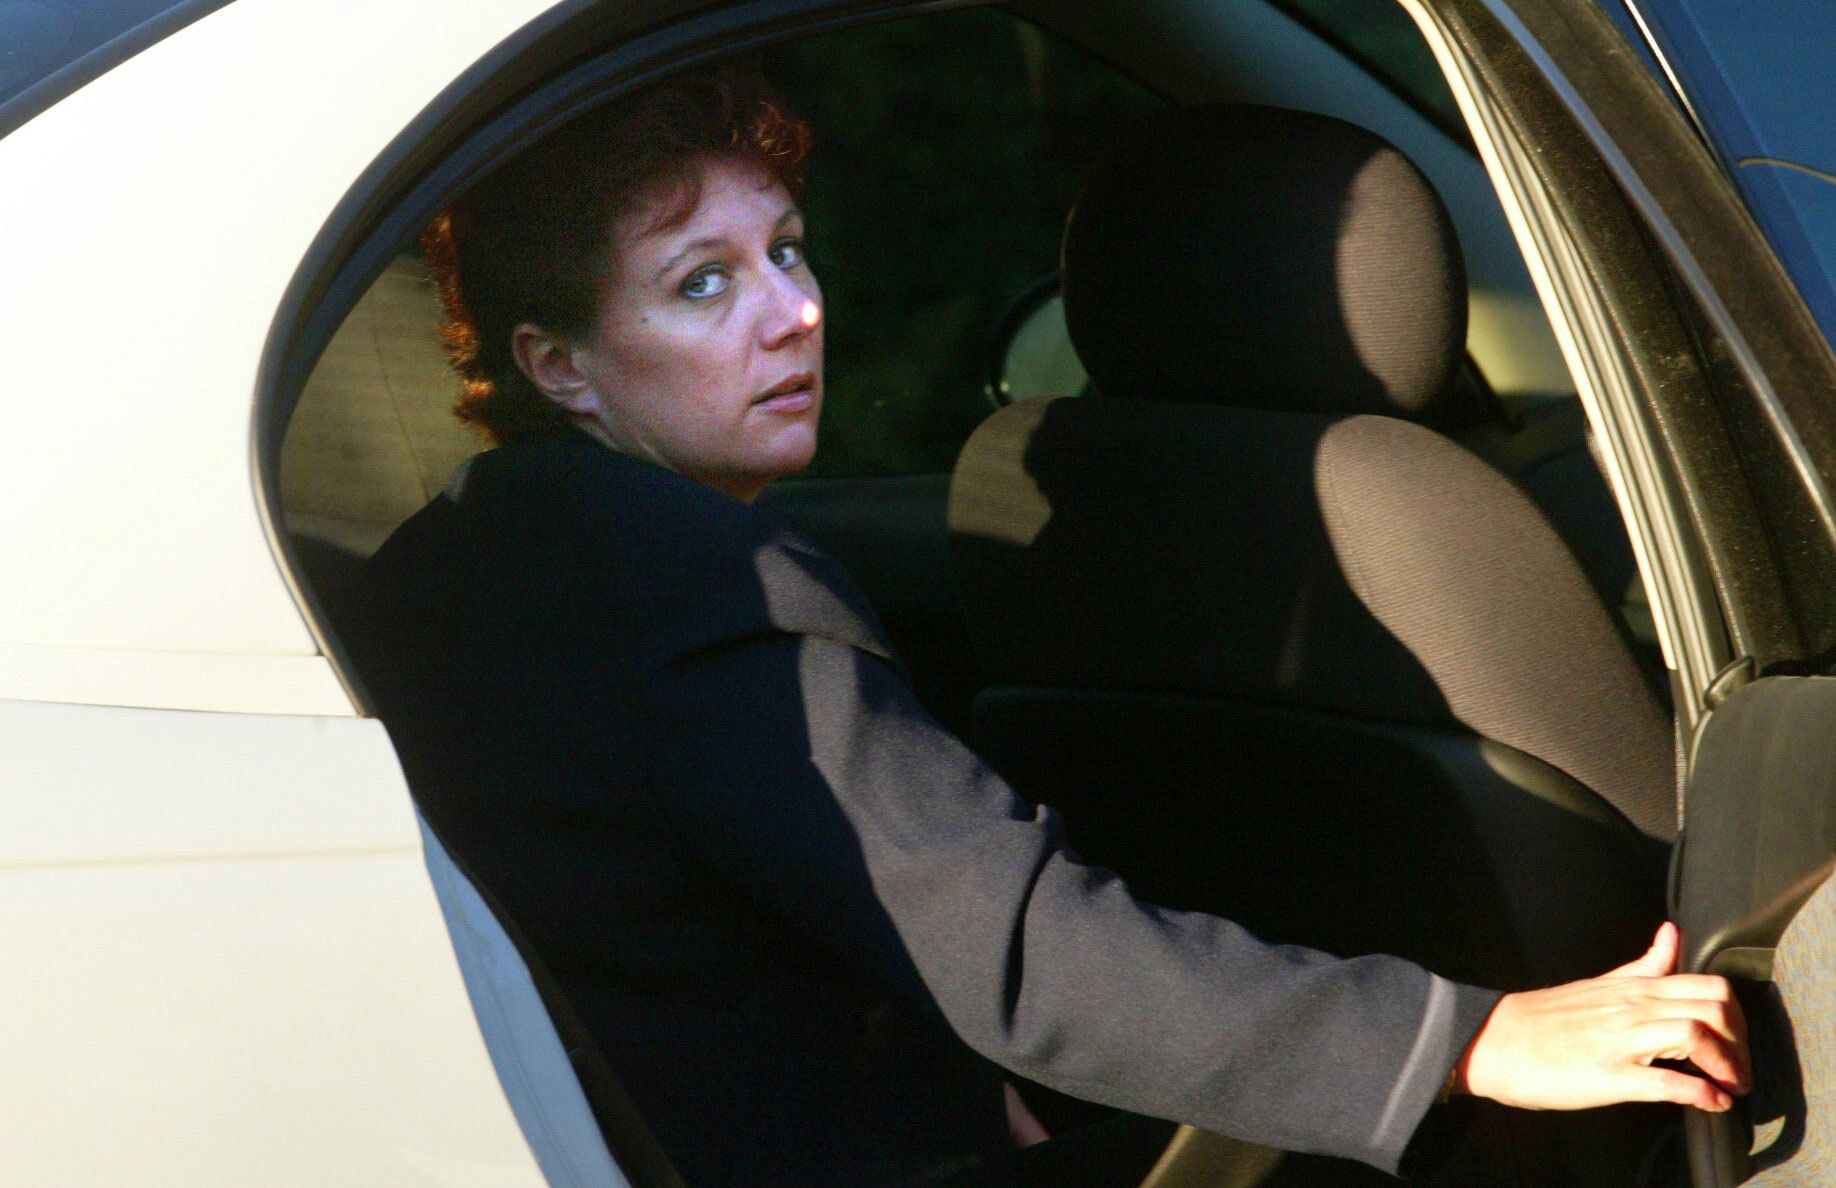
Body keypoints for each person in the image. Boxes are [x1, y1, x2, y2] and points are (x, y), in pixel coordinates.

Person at [350, 61, 1750, 1187]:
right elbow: (1024, 955)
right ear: (560, 365)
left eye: (784, 249)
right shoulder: (692, 577)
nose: (797, 313)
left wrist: (966, 1093)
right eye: (701, 283)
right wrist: (1475, 1039)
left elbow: (745, 917)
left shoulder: (463, 560)